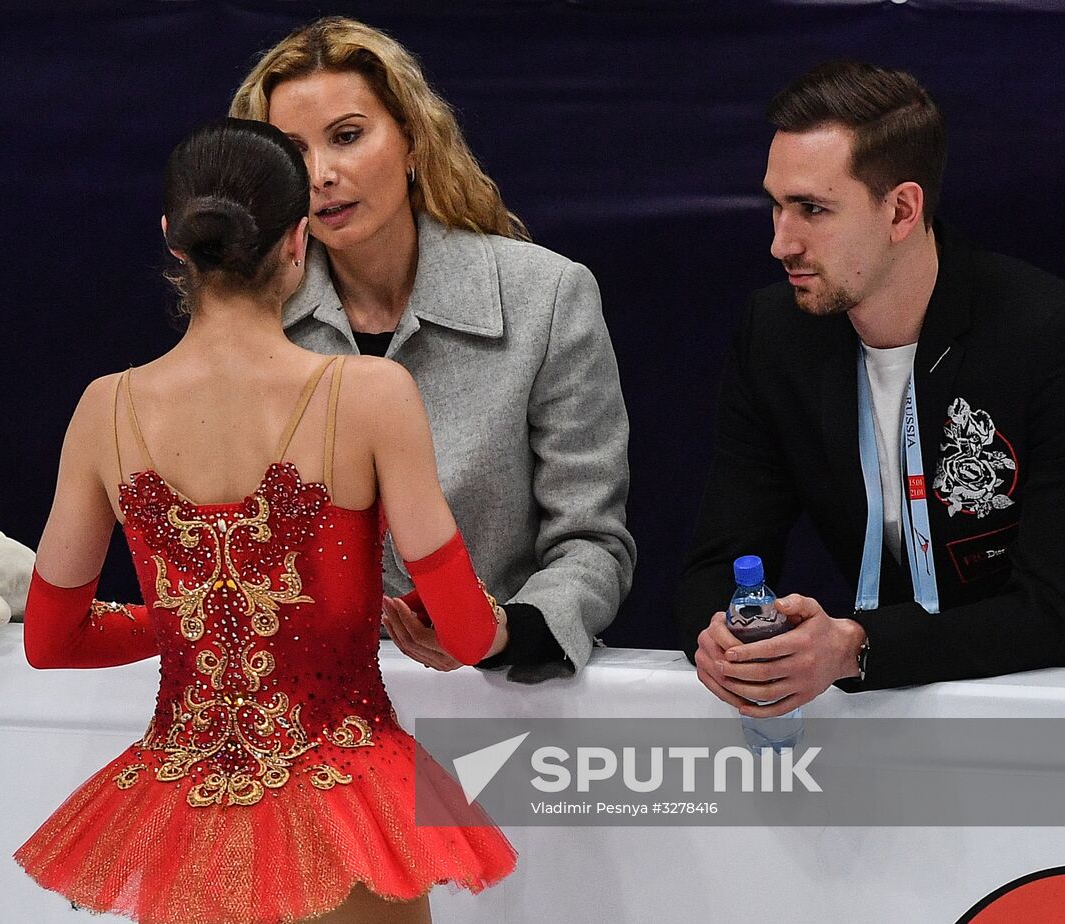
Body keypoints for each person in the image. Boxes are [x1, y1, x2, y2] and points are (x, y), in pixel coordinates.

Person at [13, 118, 514, 924]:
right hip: (344, 796)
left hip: (187, 801)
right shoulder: (371, 394)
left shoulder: (104, 409)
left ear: (173, 238)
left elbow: (51, 639)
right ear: (297, 239)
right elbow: (461, 631)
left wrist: (191, 624)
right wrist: (482, 627)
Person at [229, 17, 635, 683]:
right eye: (292, 151)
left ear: (413, 140)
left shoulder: (547, 295)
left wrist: (504, 631)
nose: (322, 174)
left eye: (347, 136)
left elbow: (592, 542)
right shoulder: (251, 323)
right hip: (304, 703)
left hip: (495, 696)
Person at [677, 60, 1065, 718]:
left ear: (902, 210)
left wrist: (856, 648)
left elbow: (1054, 607)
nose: (780, 242)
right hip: (891, 705)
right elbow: (719, 558)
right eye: (776, 205)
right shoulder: (776, 336)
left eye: (812, 210)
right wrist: (727, 639)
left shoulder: (1043, 331)